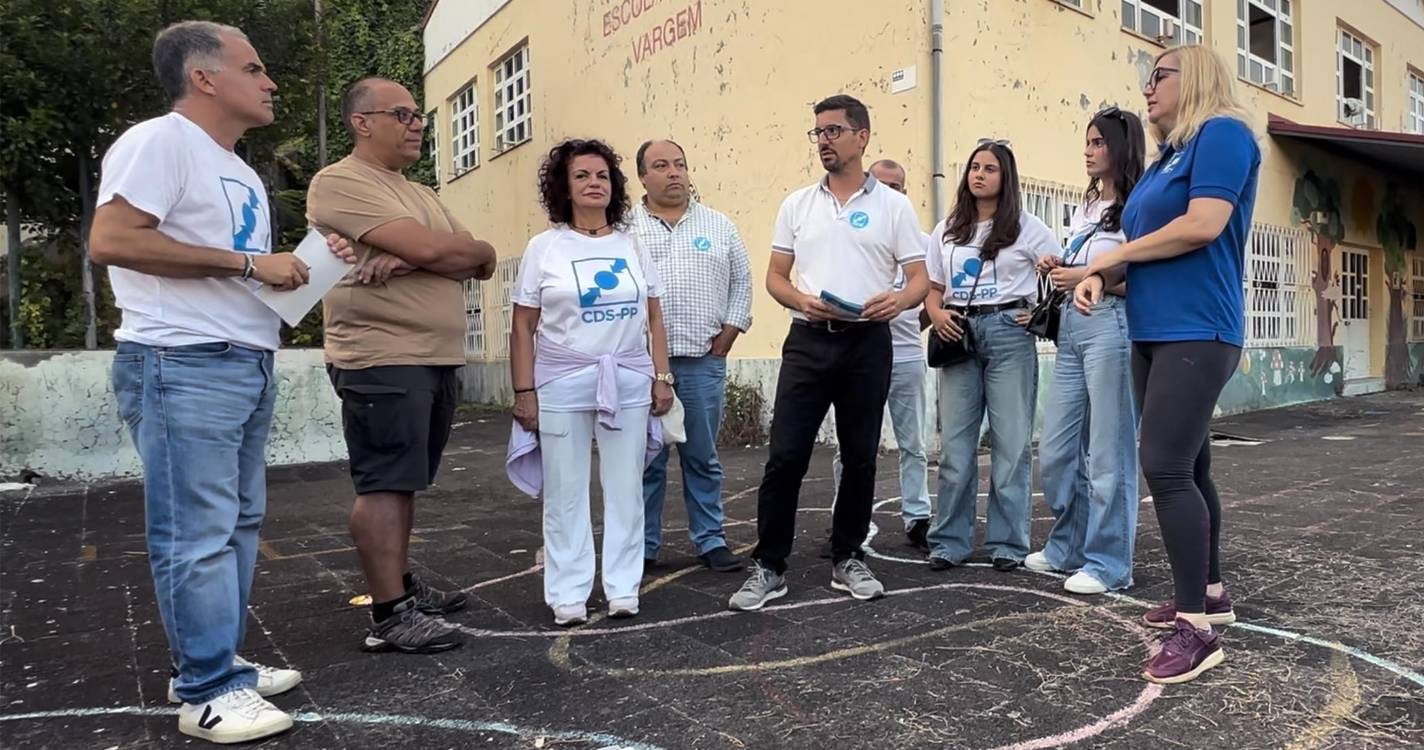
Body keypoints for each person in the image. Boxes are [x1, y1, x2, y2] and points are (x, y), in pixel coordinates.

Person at [89, 21, 355, 744]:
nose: (270, 82)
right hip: (180, 361)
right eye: (255, 67)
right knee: (195, 533)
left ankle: (213, 661)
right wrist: (247, 264)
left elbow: (231, 267)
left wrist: (302, 263)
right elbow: (111, 240)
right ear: (204, 77)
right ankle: (207, 692)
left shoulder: (235, 168)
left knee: (235, 525)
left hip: (242, 356)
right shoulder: (161, 141)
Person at [1075, 45, 1260, 684]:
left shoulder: (1225, 133)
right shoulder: (1167, 158)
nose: (1147, 89)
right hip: (1152, 329)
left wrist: (1104, 261)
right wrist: (1105, 276)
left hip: (1199, 328)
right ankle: (1209, 593)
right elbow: (1142, 249)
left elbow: (1203, 225)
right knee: (1193, 463)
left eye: (1159, 77)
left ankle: (1196, 631)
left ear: (1197, 79)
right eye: (1146, 79)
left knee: (1166, 467)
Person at [308, 77, 497, 655]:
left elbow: (482, 257)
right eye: (403, 114)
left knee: (405, 480)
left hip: (429, 357)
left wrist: (416, 256)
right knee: (385, 482)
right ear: (362, 121)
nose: (417, 124)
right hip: (382, 356)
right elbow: (447, 253)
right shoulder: (340, 182)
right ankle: (390, 615)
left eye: (418, 115)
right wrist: (432, 254)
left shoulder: (418, 192)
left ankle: (402, 587)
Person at [728, 95, 929, 612]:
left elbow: (919, 279)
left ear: (862, 137)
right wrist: (801, 300)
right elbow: (775, 276)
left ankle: (847, 557)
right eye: (817, 132)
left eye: (834, 131)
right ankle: (769, 566)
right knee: (786, 456)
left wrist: (898, 301)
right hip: (809, 340)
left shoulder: (894, 205)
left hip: (868, 342)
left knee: (860, 457)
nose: (824, 140)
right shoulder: (797, 204)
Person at [508, 139, 675, 626]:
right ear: (564, 186)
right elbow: (522, 325)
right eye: (582, 176)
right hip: (561, 381)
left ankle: (623, 589)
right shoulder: (545, 248)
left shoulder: (631, 243)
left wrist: (661, 377)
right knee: (565, 493)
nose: (594, 183)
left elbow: (654, 317)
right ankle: (568, 595)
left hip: (627, 378)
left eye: (602, 175)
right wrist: (524, 391)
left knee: (626, 489)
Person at [923, 140, 1059, 574]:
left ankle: (1007, 542)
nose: (979, 175)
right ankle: (949, 540)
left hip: (1007, 335)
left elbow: (1058, 270)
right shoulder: (947, 229)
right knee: (956, 448)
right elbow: (933, 288)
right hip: (958, 332)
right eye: (974, 167)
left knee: (1011, 445)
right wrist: (937, 313)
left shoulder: (1026, 226)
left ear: (1007, 178)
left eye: (990, 169)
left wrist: (1034, 313)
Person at [1026, 107, 1146, 595]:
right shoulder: (1088, 208)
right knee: (1057, 450)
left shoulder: (1139, 207)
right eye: (1088, 142)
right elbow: (1085, 269)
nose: (1089, 151)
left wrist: (1089, 277)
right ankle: (1068, 546)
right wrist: (1063, 263)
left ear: (1119, 147)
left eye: (1098, 142)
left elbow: (1142, 274)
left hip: (1112, 327)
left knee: (1108, 451)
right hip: (1072, 330)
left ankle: (1109, 563)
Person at [633, 139, 753, 574]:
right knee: (646, 460)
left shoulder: (718, 225)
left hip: (702, 361)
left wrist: (727, 337)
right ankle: (643, 545)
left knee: (702, 457)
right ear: (642, 176)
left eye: (680, 164)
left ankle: (711, 539)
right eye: (661, 165)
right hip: (642, 367)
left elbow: (743, 282)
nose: (673, 173)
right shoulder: (625, 228)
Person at [828, 158, 933, 552]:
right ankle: (845, 516)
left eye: (898, 186)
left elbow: (932, 293)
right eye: (883, 183)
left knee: (913, 443)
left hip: (904, 355)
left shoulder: (921, 241)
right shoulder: (852, 235)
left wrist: (908, 322)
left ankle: (917, 516)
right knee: (853, 446)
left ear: (905, 193)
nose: (890, 191)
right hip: (857, 356)